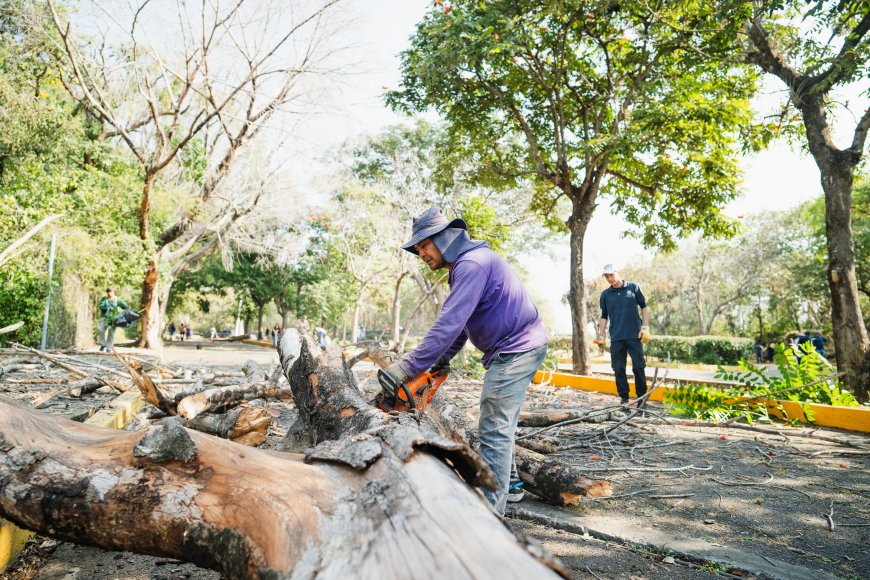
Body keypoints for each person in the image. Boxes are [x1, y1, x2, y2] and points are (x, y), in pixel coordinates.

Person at [382, 207, 547, 515]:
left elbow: (447, 324)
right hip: (522, 344)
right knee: (501, 424)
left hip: (517, 348)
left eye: (424, 246)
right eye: (417, 250)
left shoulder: (471, 264)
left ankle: (489, 514)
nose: (421, 255)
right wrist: (439, 360)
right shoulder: (467, 265)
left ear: (444, 239)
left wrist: (408, 367)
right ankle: (508, 485)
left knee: (494, 425)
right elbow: (461, 326)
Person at [597, 264, 650, 406]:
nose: (609, 278)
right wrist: (601, 336)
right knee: (618, 369)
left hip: (634, 335)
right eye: (606, 276)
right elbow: (604, 316)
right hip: (616, 337)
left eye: (611, 275)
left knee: (638, 367)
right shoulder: (605, 295)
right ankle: (624, 399)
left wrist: (645, 327)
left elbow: (644, 307)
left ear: (617, 272)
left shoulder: (633, 287)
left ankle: (641, 399)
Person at [97, 286, 128, 352]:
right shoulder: (104, 299)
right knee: (101, 330)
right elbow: (101, 306)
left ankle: (109, 348)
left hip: (113, 318)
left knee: (111, 333)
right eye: (108, 292)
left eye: (110, 291)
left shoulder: (117, 299)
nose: (109, 293)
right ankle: (102, 344)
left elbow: (125, 306)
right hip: (104, 317)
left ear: (113, 292)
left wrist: (126, 310)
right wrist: (107, 308)